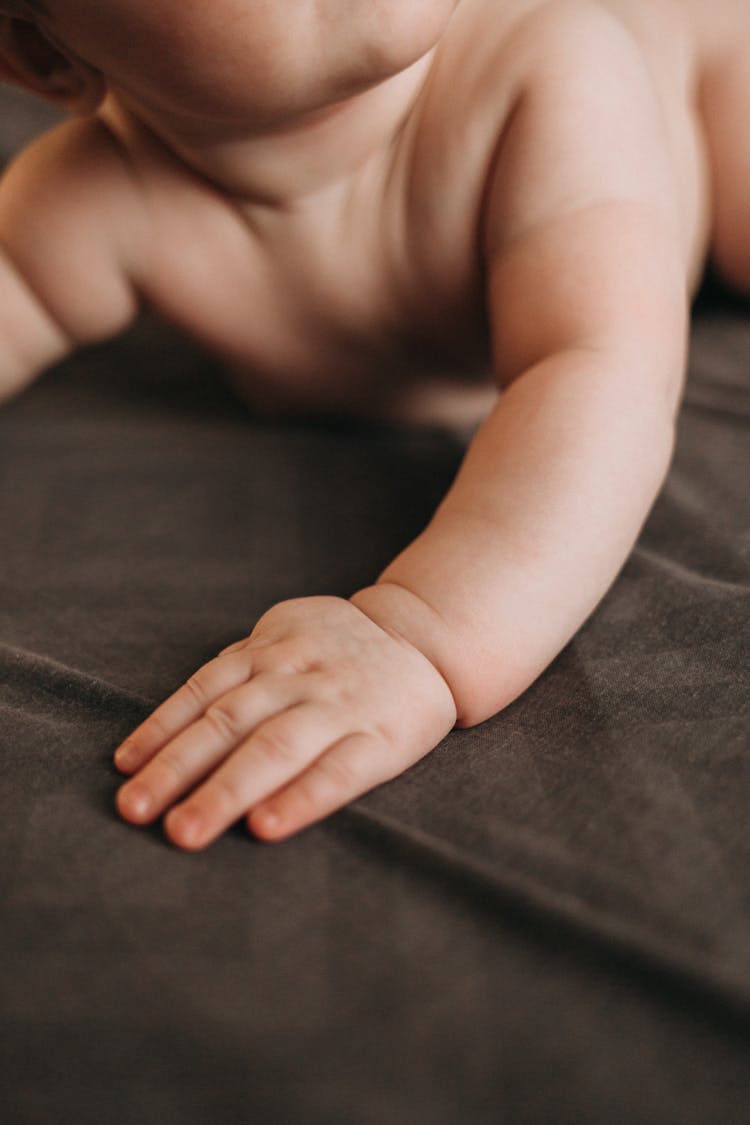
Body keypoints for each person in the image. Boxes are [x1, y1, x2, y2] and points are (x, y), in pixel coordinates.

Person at [0, 0, 746, 850]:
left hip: (696, 74)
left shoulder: (553, 74)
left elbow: (600, 369)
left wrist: (420, 630)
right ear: (40, 52)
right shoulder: (96, 199)